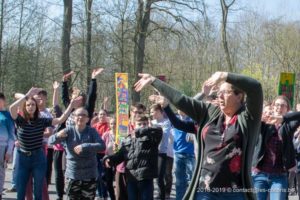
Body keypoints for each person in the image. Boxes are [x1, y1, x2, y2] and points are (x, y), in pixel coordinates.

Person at [134, 72, 263, 200]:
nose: (220, 95)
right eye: (219, 92)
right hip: (205, 191)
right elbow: (182, 100)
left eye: (226, 92)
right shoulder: (209, 112)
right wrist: (154, 81)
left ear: (239, 96)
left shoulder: (248, 118)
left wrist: (224, 75)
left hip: (235, 193)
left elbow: (255, 88)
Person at [9, 87, 79, 200]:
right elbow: (12, 108)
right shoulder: (20, 120)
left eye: (33, 105)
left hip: (38, 157)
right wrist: (27, 95)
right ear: (25, 107)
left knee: (38, 190)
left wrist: (71, 106)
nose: (31, 107)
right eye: (28, 105)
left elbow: (60, 120)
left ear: (36, 107)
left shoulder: (41, 120)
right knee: (21, 190)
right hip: (23, 158)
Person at [252, 96, 300, 200]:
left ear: (287, 109)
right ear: (273, 107)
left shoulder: (289, 124)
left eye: (283, 105)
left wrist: (284, 118)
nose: (279, 107)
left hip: (279, 175)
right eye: (277, 105)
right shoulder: (264, 123)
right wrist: (260, 118)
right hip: (260, 173)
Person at [104, 116, 162, 200]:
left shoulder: (152, 138)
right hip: (131, 179)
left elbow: (159, 130)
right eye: (139, 124)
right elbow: (119, 155)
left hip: (145, 178)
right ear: (134, 125)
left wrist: (140, 131)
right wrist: (109, 159)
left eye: (145, 124)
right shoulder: (128, 140)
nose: (142, 126)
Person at [150, 104, 172, 200]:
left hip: (162, 153)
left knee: (161, 177)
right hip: (152, 152)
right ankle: (158, 194)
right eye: (150, 112)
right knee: (153, 177)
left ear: (159, 111)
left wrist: (153, 128)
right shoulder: (151, 122)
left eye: (152, 111)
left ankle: (163, 195)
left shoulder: (167, 122)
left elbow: (164, 135)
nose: (151, 114)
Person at [0, 92, 15, 199]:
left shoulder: (8, 115)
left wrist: (9, 151)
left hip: (2, 146)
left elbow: (12, 135)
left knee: (1, 171)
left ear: (4, 100)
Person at [102, 117, 117, 200]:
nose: (113, 125)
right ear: (109, 125)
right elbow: (101, 146)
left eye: (115, 123)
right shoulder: (106, 134)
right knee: (108, 182)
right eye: (111, 123)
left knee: (118, 181)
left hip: (119, 160)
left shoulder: (121, 134)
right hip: (108, 159)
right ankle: (112, 197)